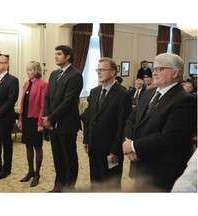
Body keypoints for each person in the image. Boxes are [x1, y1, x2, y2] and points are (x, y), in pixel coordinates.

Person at [123, 53, 197, 192]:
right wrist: (129, 142)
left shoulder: (185, 100)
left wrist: (134, 146)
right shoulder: (148, 93)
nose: (154, 73)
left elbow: (169, 137)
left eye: (160, 69)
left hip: (163, 171)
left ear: (175, 73)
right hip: (140, 164)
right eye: (154, 69)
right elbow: (131, 120)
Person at [83, 57, 132, 191]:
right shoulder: (94, 92)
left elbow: (122, 125)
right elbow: (89, 118)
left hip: (111, 150)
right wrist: (86, 139)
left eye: (102, 70)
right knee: (96, 182)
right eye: (97, 70)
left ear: (113, 72)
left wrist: (116, 150)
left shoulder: (123, 95)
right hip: (94, 147)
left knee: (111, 184)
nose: (99, 72)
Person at [43, 45, 83, 192]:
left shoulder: (75, 75)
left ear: (67, 57)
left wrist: (50, 119)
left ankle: (69, 187)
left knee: (69, 157)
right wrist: (46, 116)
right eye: (55, 54)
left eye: (59, 54)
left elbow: (68, 102)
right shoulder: (54, 74)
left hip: (67, 124)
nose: (56, 56)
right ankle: (58, 186)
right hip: (53, 124)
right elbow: (47, 97)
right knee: (57, 157)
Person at [18, 61, 48, 187]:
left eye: (31, 70)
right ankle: (30, 171)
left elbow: (43, 105)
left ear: (37, 71)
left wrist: (41, 123)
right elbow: (22, 104)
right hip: (26, 119)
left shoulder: (43, 84)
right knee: (28, 146)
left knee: (37, 147)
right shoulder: (26, 84)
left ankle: (37, 174)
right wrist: (20, 119)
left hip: (36, 120)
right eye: (28, 70)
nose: (29, 72)